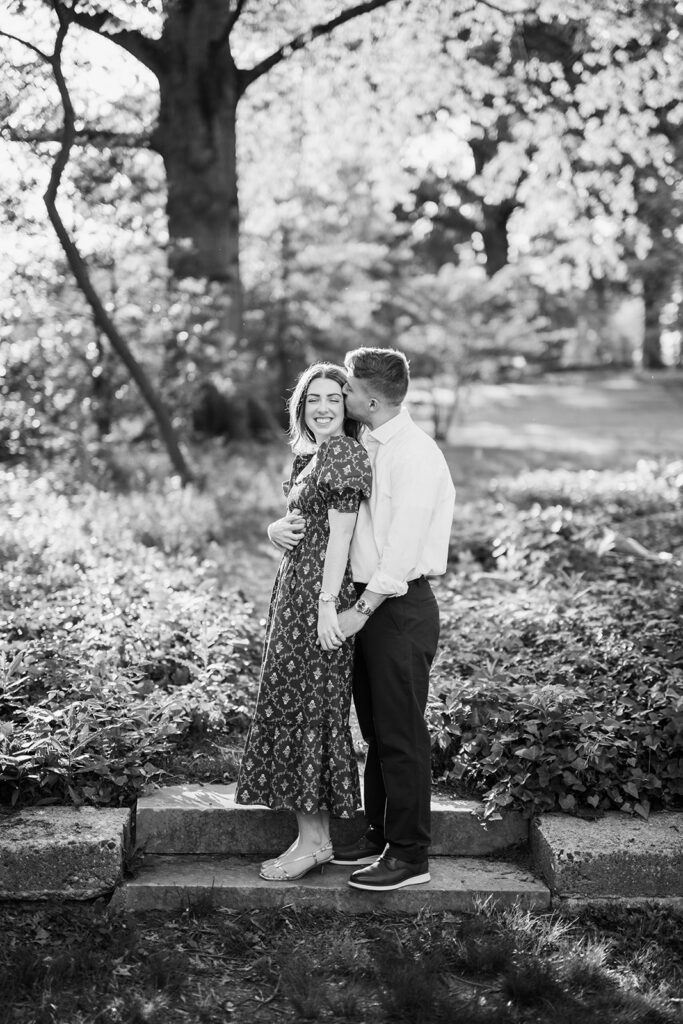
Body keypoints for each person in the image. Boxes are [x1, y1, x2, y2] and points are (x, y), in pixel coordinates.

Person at [234, 362, 372, 881]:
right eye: (313, 398)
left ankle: (316, 842)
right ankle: (308, 836)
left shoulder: (342, 454)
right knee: (291, 705)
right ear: (301, 405)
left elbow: (340, 536)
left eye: (334, 399)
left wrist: (325, 606)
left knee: (312, 710)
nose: (322, 407)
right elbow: (298, 523)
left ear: (348, 405)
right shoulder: (309, 454)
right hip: (293, 595)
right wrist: (274, 529)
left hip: (318, 598)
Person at [331, 346, 455, 892]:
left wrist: (360, 612)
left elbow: (401, 553)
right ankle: (380, 834)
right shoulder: (367, 444)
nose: (342, 393)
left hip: (397, 606)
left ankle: (410, 857)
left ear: (372, 398)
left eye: (349, 387)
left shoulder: (414, 455)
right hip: (374, 602)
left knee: (401, 733)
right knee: (377, 730)